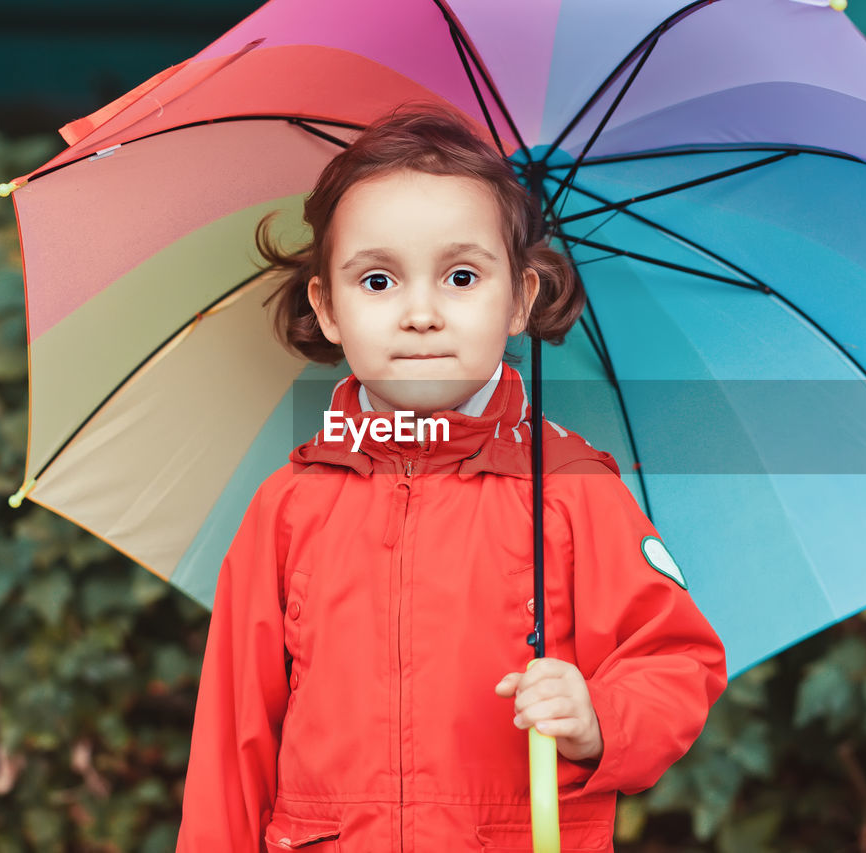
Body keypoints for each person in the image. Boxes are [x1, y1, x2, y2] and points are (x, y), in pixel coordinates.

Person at [176, 103, 727, 852]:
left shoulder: (569, 490)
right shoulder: (290, 506)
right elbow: (231, 743)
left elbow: (675, 658)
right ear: (327, 307)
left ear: (521, 298)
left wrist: (599, 716)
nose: (422, 312)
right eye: (377, 280)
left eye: (462, 275)